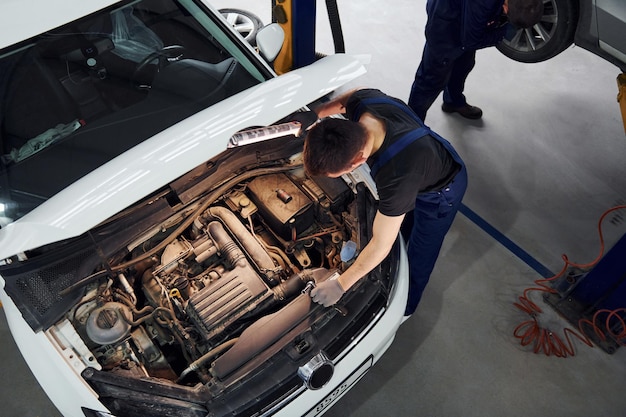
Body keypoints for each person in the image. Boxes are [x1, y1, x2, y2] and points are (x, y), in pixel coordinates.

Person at [303, 88, 467, 317]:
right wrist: (316, 112)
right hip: (423, 152)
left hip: (442, 188)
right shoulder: (366, 101)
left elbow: (381, 243)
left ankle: (406, 308)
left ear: (359, 160)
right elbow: (345, 100)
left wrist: (340, 285)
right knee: (401, 224)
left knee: (421, 250)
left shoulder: (397, 177)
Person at [408, 0, 543, 121]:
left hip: (467, 14)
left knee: (463, 65)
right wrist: (503, 33)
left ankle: (453, 101)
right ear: (506, 7)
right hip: (445, 24)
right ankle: (409, 128)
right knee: (430, 80)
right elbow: (472, 41)